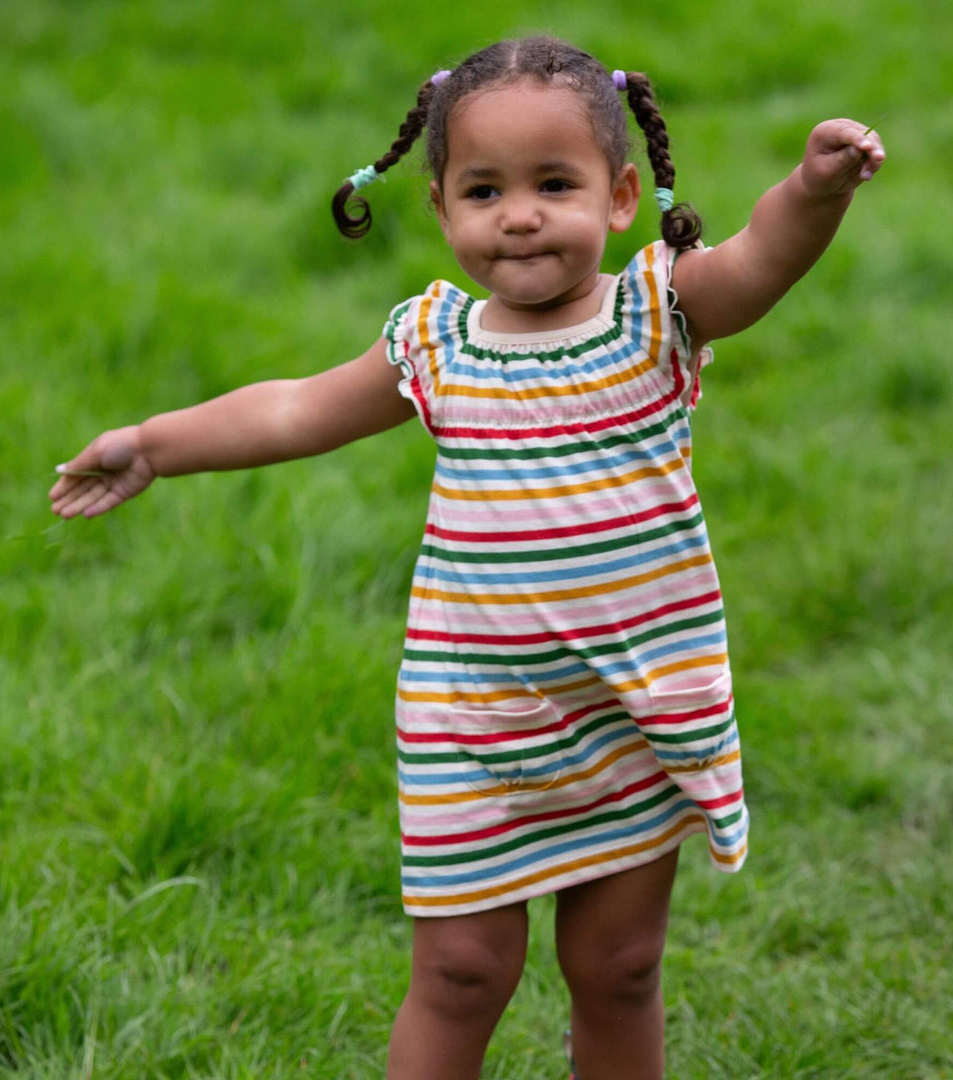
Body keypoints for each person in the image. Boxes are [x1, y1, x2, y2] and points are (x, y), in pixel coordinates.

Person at [49, 35, 885, 1080]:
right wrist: (154, 444)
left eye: (553, 184)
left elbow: (760, 259)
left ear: (621, 196)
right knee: (459, 973)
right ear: (441, 209)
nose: (519, 214)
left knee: (619, 965)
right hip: (475, 725)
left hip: (633, 712)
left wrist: (815, 188)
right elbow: (297, 408)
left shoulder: (657, 313)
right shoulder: (433, 343)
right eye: (484, 190)